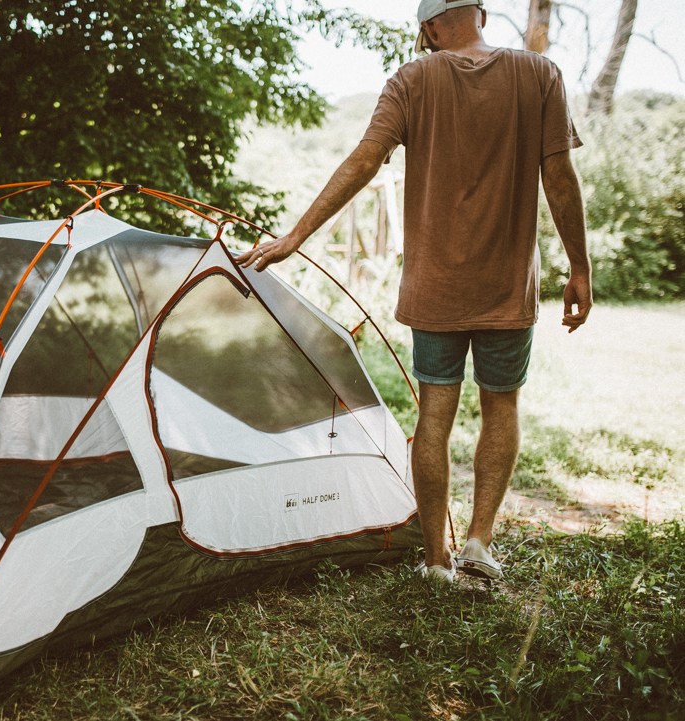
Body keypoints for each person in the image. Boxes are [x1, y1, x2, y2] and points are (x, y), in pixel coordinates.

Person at [237, 0, 592, 582]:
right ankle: (478, 542)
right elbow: (558, 176)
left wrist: (295, 236)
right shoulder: (539, 74)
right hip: (506, 285)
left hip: (434, 287)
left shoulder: (410, 80)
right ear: (480, 15)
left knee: (435, 411)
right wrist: (579, 267)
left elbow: (364, 161)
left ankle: (435, 560)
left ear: (429, 27)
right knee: (501, 405)